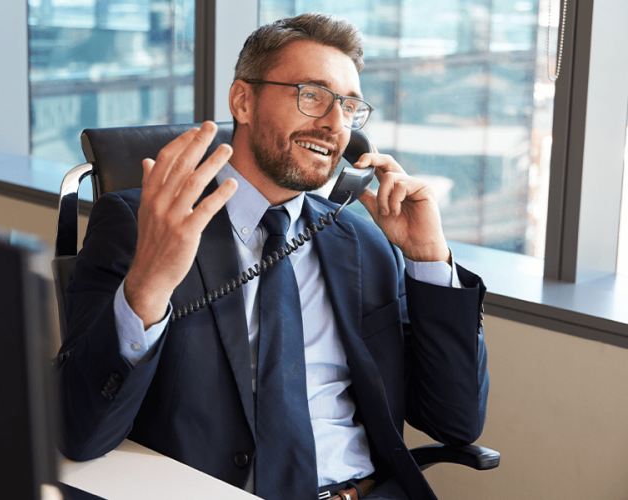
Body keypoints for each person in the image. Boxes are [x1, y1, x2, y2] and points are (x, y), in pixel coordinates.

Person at [56, 13, 489, 500]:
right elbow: (78, 430)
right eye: (312, 95)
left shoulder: (364, 242)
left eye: (349, 107)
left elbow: (456, 421)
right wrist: (149, 286)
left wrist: (428, 259)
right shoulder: (145, 226)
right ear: (243, 100)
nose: (333, 123)